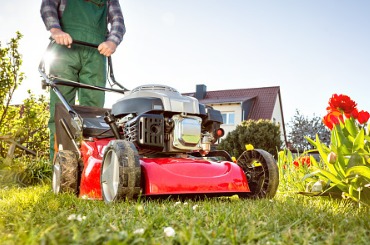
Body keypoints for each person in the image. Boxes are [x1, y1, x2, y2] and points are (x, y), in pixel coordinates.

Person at [40, 0, 126, 162]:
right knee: (61, 109)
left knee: (94, 113)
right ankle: (59, 167)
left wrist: (112, 41)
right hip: (64, 50)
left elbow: (118, 21)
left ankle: (89, 165)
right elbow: (48, 5)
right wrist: (56, 29)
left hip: (96, 53)